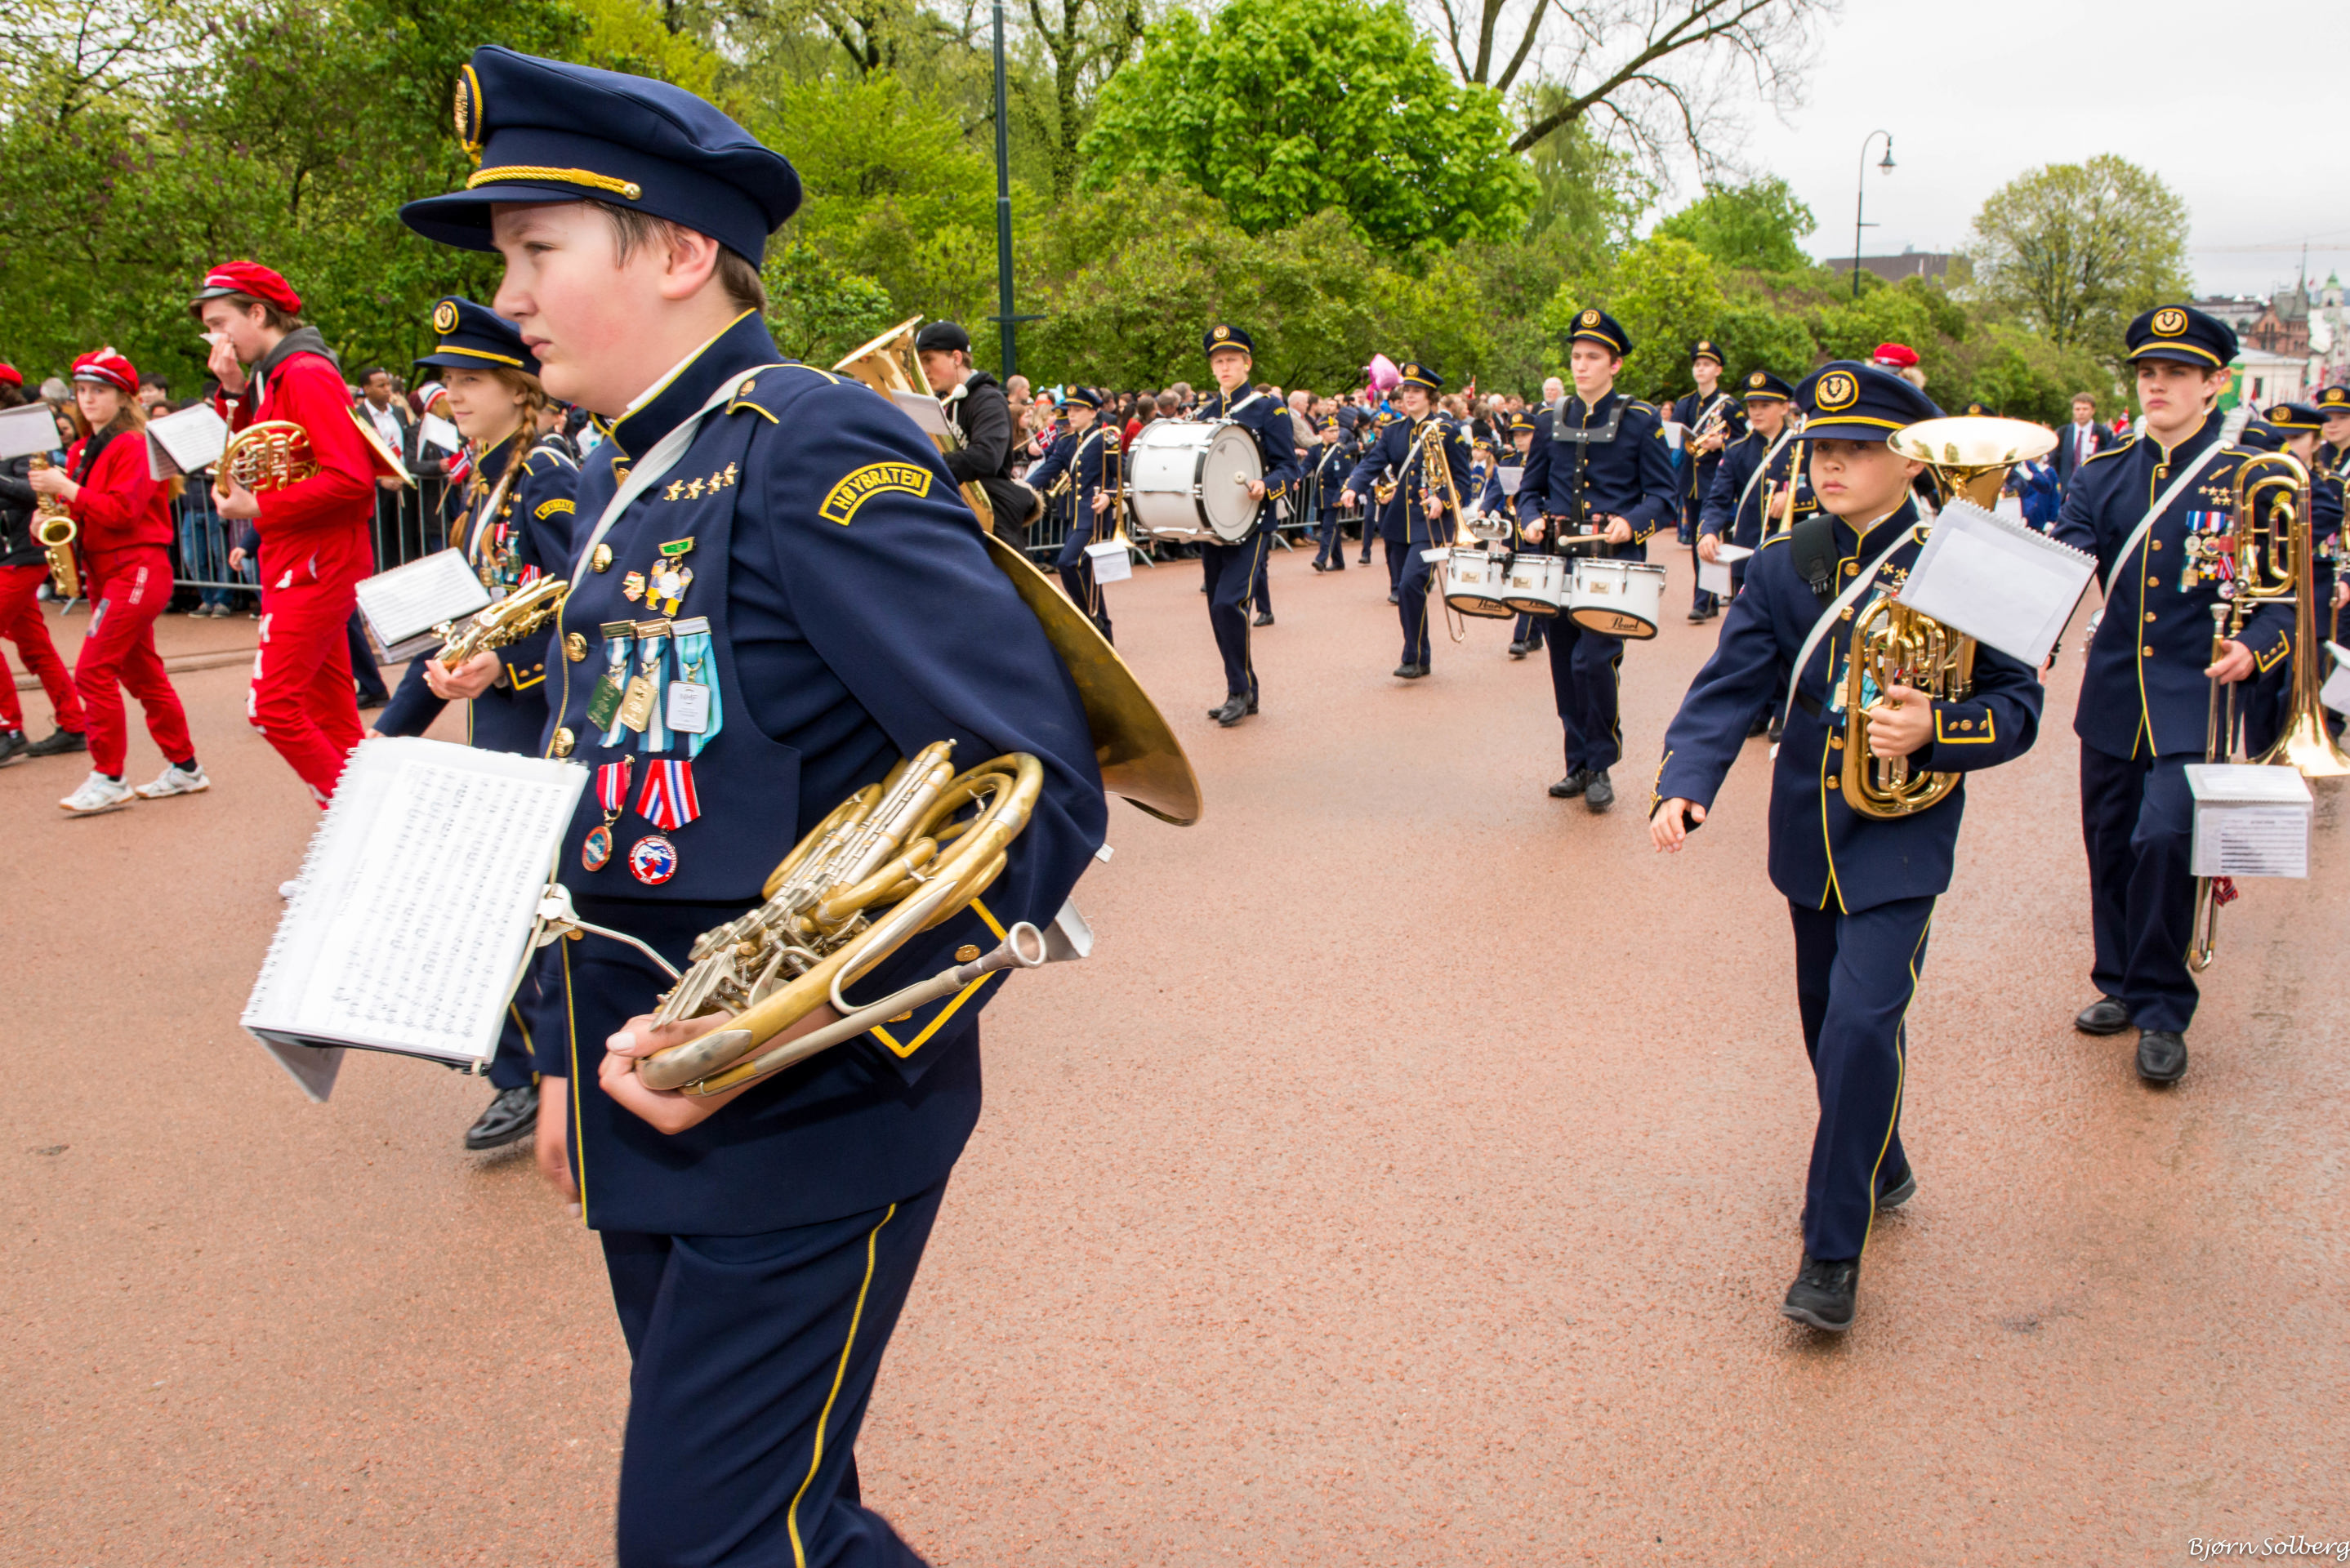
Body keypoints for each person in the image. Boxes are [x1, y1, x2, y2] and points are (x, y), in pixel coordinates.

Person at [398, 46, 1106, 1565]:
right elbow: (601, 800)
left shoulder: (806, 446)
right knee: (783, 1524)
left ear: (676, 252)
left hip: (801, 1113)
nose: (508, 299)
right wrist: (562, 1057)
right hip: (653, 1099)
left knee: (707, 1543)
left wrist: (755, 1042)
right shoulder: (633, 469)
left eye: (535, 251)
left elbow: (1032, 781)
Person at [1650, 362, 2045, 1332]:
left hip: (1903, 837)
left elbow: (2019, 707)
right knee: (1828, 1023)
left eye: (1857, 450)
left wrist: (1938, 730)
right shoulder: (1788, 562)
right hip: (1809, 834)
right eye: (1822, 448)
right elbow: (1732, 683)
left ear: (1909, 463)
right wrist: (1686, 779)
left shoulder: (1968, 558)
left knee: (1864, 1025)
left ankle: (1830, 1254)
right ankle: (1884, 1155)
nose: (1831, 465)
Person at [2050, 305, 2290, 1086]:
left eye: (2176, 374)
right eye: (2147, 373)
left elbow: (2289, 597)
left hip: (2198, 699)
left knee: (2163, 841)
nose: (2156, 385)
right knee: (2109, 842)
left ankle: (2160, 1006)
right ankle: (2118, 981)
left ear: (2213, 384)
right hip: (2114, 694)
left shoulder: (2250, 473)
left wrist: (2256, 648)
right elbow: (2063, 566)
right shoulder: (2102, 473)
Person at [371, 296, 580, 1153]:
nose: (451, 393)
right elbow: (456, 627)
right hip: (497, 725)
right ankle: (526, 1069)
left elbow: (585, 608)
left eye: (470, 379)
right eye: (447, 380)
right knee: (503, 905)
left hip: (543, 721)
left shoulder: (547, 477)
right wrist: (388, 734)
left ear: (518, 388)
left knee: (521, 906)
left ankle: (538, 1073)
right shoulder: (475, 485)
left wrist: (510, 666)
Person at [196, 260, 381, 807]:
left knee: (271, 707)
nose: (215, 338)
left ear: (258, 313)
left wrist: (257, 505)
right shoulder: (275, 373)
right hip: (302, 555)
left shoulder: (302, 372)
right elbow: (258, 453)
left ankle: (349, 826)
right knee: (332, 715)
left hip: (316, 559)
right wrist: (233, 389)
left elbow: (351, 479)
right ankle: (365, 830)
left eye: (220, 323)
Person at [1514, 308, 1679, 811]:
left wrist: (1632, 523)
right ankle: (1577, 764)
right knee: (1565, 664)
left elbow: (1664, 497)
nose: (1581, 366)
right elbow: (1529, 490)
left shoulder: (1641, 421)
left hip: (1612, 564)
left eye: (1592, 357)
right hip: (1557, 560)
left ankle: (1602, 764)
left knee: (1594, 661)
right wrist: (1530, 518)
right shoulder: (1549, 420)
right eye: (1576, 356)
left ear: (1615, 364)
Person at [27, 349, 205, 812]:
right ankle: (186, 767)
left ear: (124, 398)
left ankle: (109, 777)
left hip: (136, 568)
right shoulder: (84, 448)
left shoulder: (132, 443)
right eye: (82, 390)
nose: (87, 399)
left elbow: (123, 511)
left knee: (92, 672)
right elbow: (83, 509)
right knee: (144, 676)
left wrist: (67, 488)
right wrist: (46, 516)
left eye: (99, 391)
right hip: (108, 571)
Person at [1188, 325, 1302, 724]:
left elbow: (1290, 467)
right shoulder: (1204, 415)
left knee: (1228, 603)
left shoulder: (1268, 409)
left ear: (1247, 364)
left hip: (1253, 523)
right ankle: (1243, 688)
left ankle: (1239, 691)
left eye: (1232, 360)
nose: (1224, 367)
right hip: (1214, 526)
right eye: (1218, 361)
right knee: (1217, 610)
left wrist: (1265, 485)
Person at [1340, 361, 1474, 680]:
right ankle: (1418, 654)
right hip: (1399, 521)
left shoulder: (1447, 431)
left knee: (1413, 582)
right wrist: (1353, 485)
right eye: (1407, 390)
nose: (1410, 396)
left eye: (1417, 391)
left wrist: (1442, 499)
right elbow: (1371, 463)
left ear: (1430, 396)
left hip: (1430, 524)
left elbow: (1463, 482)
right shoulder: (1394, 432)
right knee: (1404, 589)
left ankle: (1411, 654)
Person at [2233, 403, 2340, 758]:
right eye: (2285, 440)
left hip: (2310, 596)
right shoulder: (2259, 475)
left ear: (2316, 441)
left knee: (2293, 687)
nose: (2290, 447)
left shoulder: (2319, 483)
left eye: (2296, 439)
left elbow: (2327, 515)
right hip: (2263, 596)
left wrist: (2279, 545)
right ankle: (2259, 758)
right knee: (2260, 694)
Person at [0, 366, 91, 766]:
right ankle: (74, 723)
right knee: (35, 647)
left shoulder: (19, 435)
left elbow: (35, 492)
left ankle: (8, 728)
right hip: (10, 554)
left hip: (21, 553)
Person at [915, 321, 1029, 553]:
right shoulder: (942, 401)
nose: (923, 369)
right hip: (958, 512)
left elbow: (987, 457)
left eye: (929, 359)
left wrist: (930, 465)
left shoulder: (988, 399)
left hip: (992, 520)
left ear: (956, 358)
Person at [1022, 385, 1120, 642]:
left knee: (1068, 563)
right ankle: (1102, 632)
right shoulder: (1066, 442)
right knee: (1087, 575)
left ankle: (1088, 619)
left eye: (1078, 410)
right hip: (1074, 516)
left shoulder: (1105, 439)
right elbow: (1048, 470)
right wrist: (1022, 487)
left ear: (1093, 412)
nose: (1071, 415)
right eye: (1070, 410)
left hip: (1094, 517)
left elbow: (1123, 474)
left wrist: (1109, 496)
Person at [1670, 339, 1745, 622]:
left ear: (1718, 370)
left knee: (1710, 538)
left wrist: (1721, 443)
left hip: (1717, 481)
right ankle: (1709, 599)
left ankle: (1703, 601)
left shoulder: (1729, 406)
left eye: (1706, 364)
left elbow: (1743, 442)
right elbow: (1674, 435)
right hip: (1691, 482)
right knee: (1696, 543)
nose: (1700, 369)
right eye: (1697, 365)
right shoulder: (1686, 403)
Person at [1487, 412, 1547, 659]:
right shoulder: (1509, 460)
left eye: (1525, 434)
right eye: (1516, 435)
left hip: (1535, 525)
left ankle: (1520, 636)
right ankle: (1535, 634)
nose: (1520, 440)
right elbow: (1498, 488)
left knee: (1528, 580)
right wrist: (1485, 508)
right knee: (1523, 578)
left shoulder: (1544, 459)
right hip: (1515, 527)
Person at [1308, 414, 1358, 572]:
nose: (1335, 434)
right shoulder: (1316, 450)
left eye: (1336, 430)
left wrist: (1338, 497)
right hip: (1322, 497)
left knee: (1328, 528)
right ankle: (1338, 561)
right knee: (1330, 527)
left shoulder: (1341, 451)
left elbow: (1344, 477)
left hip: (1334, 495)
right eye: (1331, 431)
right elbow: (1306, 466)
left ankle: (1321, 559)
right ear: (1321, 432)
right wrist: (1296, 478)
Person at [2053, 392, 2114, 494]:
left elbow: (2109, 461)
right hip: (2068, 488)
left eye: (2085, 409)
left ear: (2093, 410)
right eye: (2077, 409)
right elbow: (2054, 460)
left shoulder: (2103, 433)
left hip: (2094, 487)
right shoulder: (2063, 432)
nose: (2081, 413)